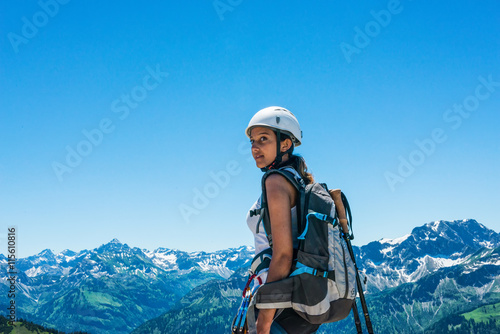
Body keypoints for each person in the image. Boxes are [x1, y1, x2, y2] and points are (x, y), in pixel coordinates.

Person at [245, 106, 319, 334]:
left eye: (263, 139)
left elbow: (284, 253)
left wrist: (264, 320)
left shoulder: (275, 181)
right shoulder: (298, 179)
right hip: (302, 300)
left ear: (285, 144)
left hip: (279, 305)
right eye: (252, 141)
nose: (255, 147)